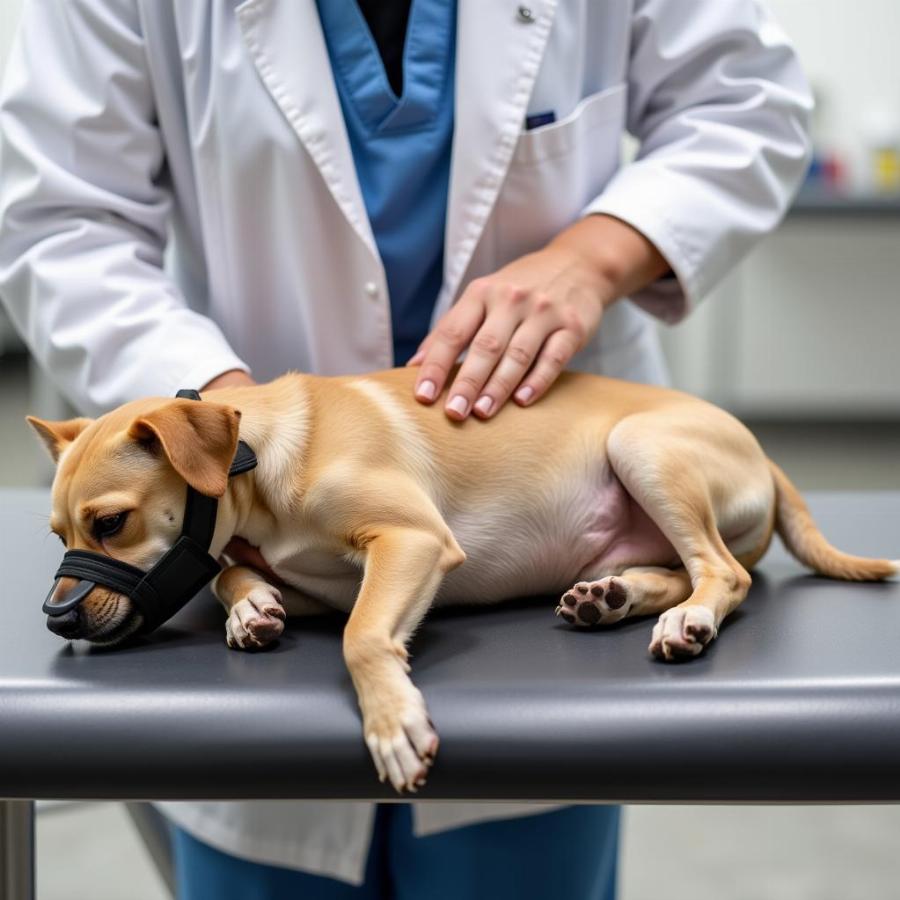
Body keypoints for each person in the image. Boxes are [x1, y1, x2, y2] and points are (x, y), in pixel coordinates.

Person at [0, 0, 811, 897]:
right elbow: (62, 219)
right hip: (239, 474)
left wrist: (595, 255)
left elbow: (747, 104)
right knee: (274, 848)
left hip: (546, 508)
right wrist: (223, 430)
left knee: (514, 855)